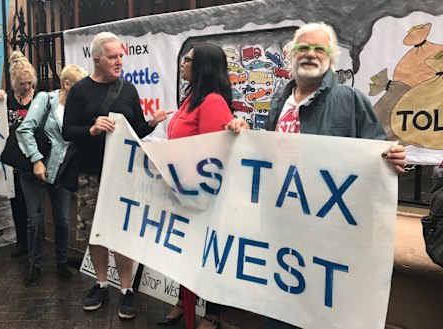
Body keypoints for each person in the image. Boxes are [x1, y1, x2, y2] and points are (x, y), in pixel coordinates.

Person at [226, 22, 406, 329]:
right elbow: (270, 157)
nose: (311, 54)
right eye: (304, 48)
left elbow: (377, 155)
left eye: (319, 49)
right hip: (280, 232)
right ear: (291, 55)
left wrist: (391, 159)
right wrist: (245, 136)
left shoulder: (351, 101)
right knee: (279, 312)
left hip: (328, 235)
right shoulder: (278, 104)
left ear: (331, 58)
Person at [63, 31, 170, 319]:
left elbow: (136, 131)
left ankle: (126, 290)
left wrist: (151, 122)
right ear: (97, 59)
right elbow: (67, 131)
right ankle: (100, 284)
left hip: (123, 176)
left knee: (123, 233)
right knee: (95, 234)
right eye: (113, 57)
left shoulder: (128, 89)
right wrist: (92, 129)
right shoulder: (80, 91)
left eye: (121, 55)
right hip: (91, 174)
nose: (120, 61)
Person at [157, 44, 232, 329]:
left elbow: (211, 156)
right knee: (186, 253)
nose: (182, 64)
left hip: (201, 197)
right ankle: (182, 301)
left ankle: (212, 314)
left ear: (201, 67)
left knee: (205, 254)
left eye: (187, 60)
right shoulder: (192, 99)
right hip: (182, 192)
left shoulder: (213, 102)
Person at [14, 64, 88, 287]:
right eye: (79, 86)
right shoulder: (46, 100)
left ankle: (61, 263)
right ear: (67, 84)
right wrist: (36, 160)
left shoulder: (80, 107)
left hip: (61, 170)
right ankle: (34, 266)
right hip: (34, 170)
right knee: (35, 221)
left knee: (63, 220)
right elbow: (24, 129)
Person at [0, 51, 36, 258]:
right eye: (22, 84)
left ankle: (34, 242)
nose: (26, 87)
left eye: (29, 83)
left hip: (32, 157)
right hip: (13, 158)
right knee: (16, 201)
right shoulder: (7, 99)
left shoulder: (38, 98)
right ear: (14, 83)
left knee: (33, 203)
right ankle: (22, 242)